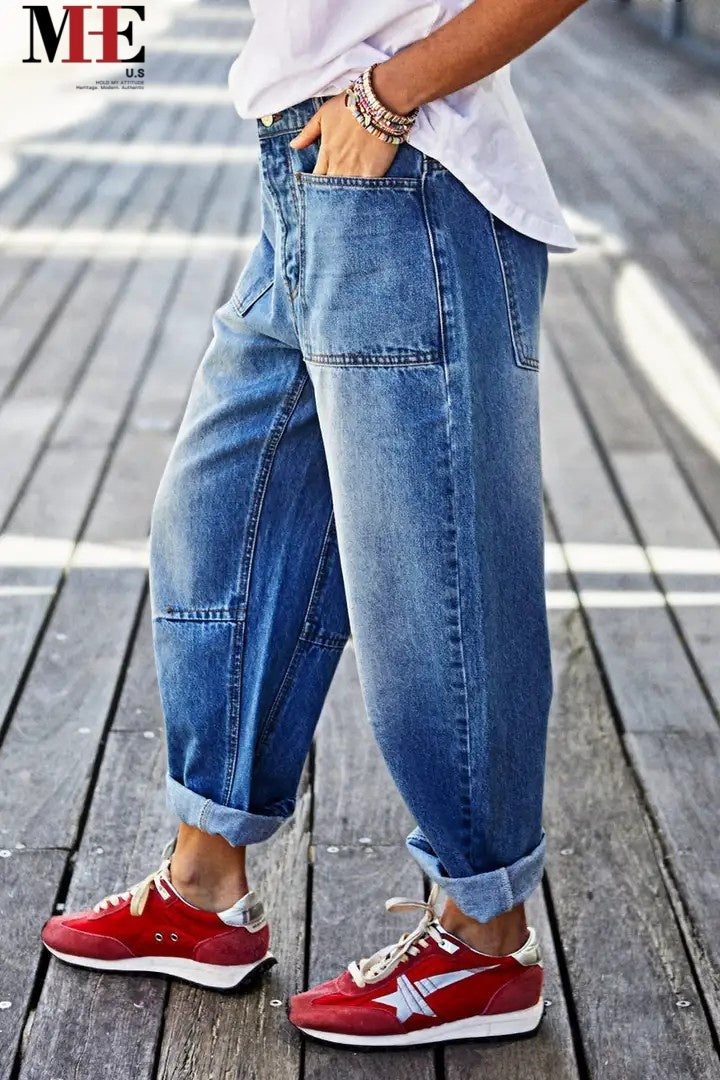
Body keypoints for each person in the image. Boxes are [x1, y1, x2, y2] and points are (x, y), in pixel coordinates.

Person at [42, 0, 582, 1049]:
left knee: (436, 584)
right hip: (307, 180)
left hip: (408, 175)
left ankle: (483, 937)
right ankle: (204, 890)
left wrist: (387, 94)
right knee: (218, 521)